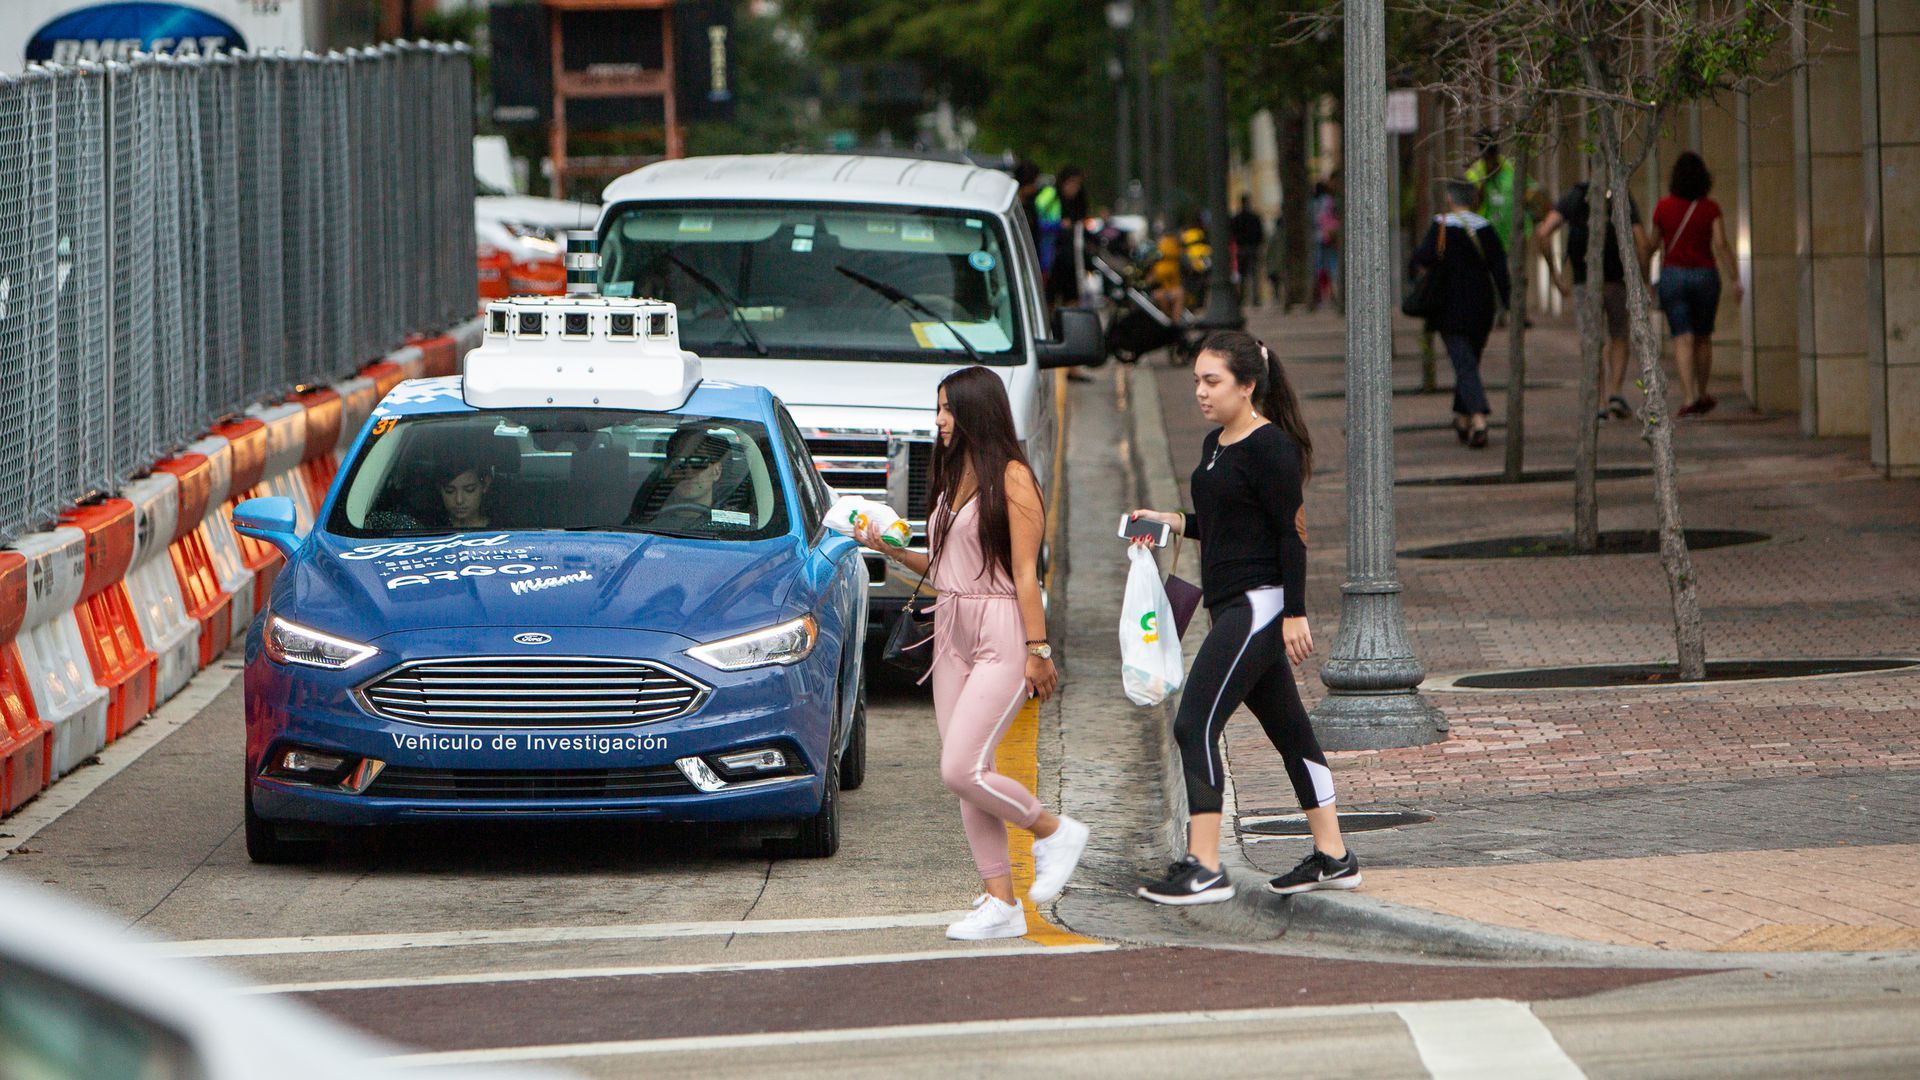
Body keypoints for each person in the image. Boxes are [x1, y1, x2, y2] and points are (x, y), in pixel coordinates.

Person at [856, 366, 1089, 940]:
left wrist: (1039, 648)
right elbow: (943, 570)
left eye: (948, 410)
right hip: (951, 628)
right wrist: (885, 548)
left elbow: (1027, 573)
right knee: (969, 774)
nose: (938, 421)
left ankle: (1054, 832)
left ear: (975, 412)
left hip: (1001, 629)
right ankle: (1000, 902)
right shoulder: (954, 473)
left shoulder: (1013, 478)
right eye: (937, 409)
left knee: (960, 767)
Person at [1128, 331, 1357, 903]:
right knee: (1290, 731)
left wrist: (1295, 613)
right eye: (1197, 381)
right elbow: (1225, 520)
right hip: (1230, 603)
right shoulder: (1215, 444)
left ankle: (1204, 866)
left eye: (1213, 381)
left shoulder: (1271, 447)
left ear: (1247, 385)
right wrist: (1171, 520)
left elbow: (1290, 536)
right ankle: (1335, 855)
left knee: (1194, 723)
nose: (1201, 392)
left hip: (1260, 604)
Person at [1536, 181, 1650, 421]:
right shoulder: (1621, 196)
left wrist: (1555, 273)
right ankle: (1616, 392)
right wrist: (1642, 279)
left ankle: (1598, 402)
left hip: (1584, 282)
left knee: (1592, 341)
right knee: (1619, 335)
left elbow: (1544, 232)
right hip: (1616, 281)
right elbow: (1642, 242)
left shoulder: (1574, 197)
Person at [1411, 178, 1511, 449]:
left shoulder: (1441, 225)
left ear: (1451, 199)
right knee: (1469, 362)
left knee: (1464, 364)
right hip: (1482, 308)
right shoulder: (1485, 228)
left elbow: (1422, 258)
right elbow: (1500, 269)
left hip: (1449, 308)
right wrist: (1509, 306)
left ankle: (1478, 421)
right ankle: (1463, 418)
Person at [1651, 151, 1743, 416]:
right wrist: (1735, 277)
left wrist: (1645, 274)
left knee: (1682, 338)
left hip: (1674, 275)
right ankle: (1702, 392)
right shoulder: (1710, 208)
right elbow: (1721, 243)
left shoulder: (1664, 207)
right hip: (1705, 276)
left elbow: (1653, 243)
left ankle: (1689, 397)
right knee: (1703, 337)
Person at [1047, 166, 1088, 310]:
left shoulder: (1079, 204)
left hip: (1071, 259)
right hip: (1053, 257)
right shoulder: (1052, 200)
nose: (1074, 188)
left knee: (1071, 296)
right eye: (1071, 183)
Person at [1228, 195, 1266, 306]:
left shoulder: (1236, 218)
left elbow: (1232, 233)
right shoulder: (1254, 217)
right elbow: (1260, 234)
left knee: (1242, 275)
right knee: (1254, 275)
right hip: (1252, 248)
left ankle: (1242, 298)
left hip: (1241, 248)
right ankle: (1255, 299)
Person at [1309, 182, 1340, 311]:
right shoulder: (1330, 201)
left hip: (1318, 238)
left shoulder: (1312, 204)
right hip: (1330, 237)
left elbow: (1311, 220)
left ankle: (1321, 296)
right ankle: (1335, 294)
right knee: (1333, 266)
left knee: (1319, 268)